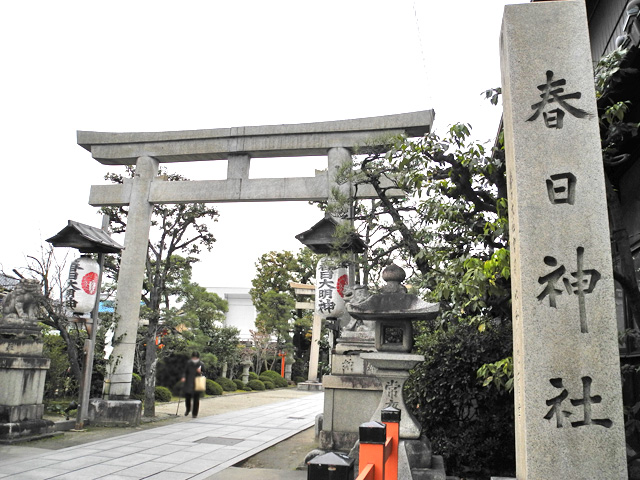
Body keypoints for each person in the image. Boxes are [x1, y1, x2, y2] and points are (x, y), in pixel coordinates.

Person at [181, 351, 204, 418]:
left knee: (196, 399)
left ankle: (195, 413)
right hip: (189, 381)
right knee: (187, 397)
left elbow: (205, 373)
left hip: (197, 382)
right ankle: (188, 409)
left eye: (196, 357)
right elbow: (184, 371)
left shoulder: (201, 364)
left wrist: (200, 372)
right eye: (193, 357)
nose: (194, 359)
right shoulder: (188, 363)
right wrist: (183, 377)